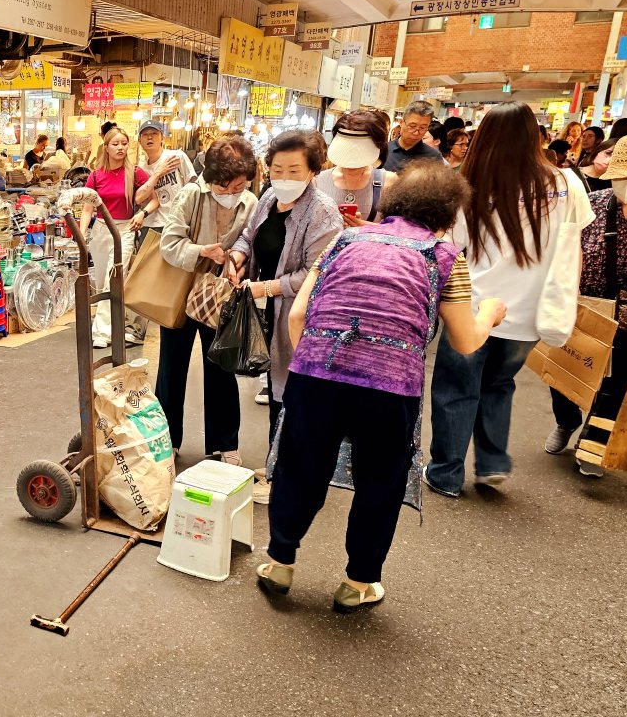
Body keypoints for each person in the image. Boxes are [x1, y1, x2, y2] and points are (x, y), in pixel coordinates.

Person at [257, 163, 507, 613]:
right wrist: (489, 311)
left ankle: (279, 561)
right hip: (388, 387)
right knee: (380, 482)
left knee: (300, 468)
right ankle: (357, 582)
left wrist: (315, 365)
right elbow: (466, 340)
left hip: (316, 373)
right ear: (449, 216)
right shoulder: (444, 256)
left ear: (391, 204)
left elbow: (298, 316)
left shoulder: (344, 240)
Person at [425, 101, 596, 496]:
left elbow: (450, 249)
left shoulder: (469, 182)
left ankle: (446, 474)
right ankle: (491, 466)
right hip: (532, 313)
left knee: (456, 389)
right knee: (498, 385)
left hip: (472, 308)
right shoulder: (566, 183)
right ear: (532, 136)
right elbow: (578, 247)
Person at [228, 130, 342, 501]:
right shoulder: (269, 198)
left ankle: (288, 479)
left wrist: (267, 288)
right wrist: (240, 256)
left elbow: (316, 271)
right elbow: (248, 235)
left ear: (313, 170)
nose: (285, 177)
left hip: (299, 316)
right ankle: (278, 467)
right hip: (268, 307)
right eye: (278, 169)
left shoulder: (323, 211)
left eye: (295, 169)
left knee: (293, 393)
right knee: (278, 392)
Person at [155, 135, 259, 462]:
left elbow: (251, 243)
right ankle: (167, 440)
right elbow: (169, 244)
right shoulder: (191, 195)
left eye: (239, 186)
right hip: (182, 291)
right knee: (171, 369)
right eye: (225, 186)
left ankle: (224, 443)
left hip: (223, 293)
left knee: (221, 368)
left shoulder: (251, 202)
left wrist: (239, 262)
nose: (232, 194)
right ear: (212, 178)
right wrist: (202, 250)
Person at [546, 136, 627, 477]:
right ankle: (566, 421)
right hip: (585, 303)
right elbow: (565, 248)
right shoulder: (592, 204)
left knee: (614, 384)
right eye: (622, 177)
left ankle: (591, 448)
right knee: (565, 370)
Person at [80, 125, 157, 348]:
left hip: (124, 231)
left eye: (124, 144)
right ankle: (119, 325)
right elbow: (87, 209)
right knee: (102, 278)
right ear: (106, 147)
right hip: (101, 230)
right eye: (116, 144)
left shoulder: (135, 173)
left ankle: (102, 333)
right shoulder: (95, 175)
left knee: (112, 280)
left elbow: (154, 200)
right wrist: (81, 235)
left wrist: (142, 214)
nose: (120, 148)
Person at [315, 110, 391, 226]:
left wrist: (366, 227)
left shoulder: (390, 182)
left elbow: (402, 232)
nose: (351, 163)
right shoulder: (317, 181)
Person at [134, 120, 197, 232]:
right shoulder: (140, 169)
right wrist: (157, 173)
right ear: (139, 140)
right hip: (151, 224)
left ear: (162, 137)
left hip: (177, 221)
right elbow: (139, 198)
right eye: (145, 135)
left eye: (154, 134)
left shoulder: (176, 156)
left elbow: (193, 183)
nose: (150, 138)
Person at [383, 100, 443, 171]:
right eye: (412, 126)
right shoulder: (383, 150)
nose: (416, 133)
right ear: (401, 123)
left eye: (423, 128)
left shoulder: (434, 156)